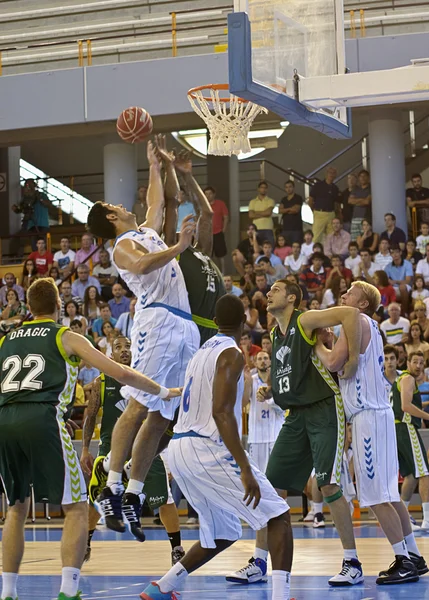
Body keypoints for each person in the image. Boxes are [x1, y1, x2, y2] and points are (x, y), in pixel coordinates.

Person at [0, 278, 181, 600]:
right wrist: (164, 390)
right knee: (76, 507)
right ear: (58, 306)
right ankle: (69, 591)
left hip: (5, 421)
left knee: (15, 509)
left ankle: (8, 592)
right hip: (43, 419)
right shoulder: (64, 335)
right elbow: (120, 372)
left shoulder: (6, 341)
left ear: (28, 306)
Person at [140, 294, 292, 600]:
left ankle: (163, 586)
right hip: (205, 447)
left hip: (181, 448)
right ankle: (281, 595)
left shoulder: (200, 354)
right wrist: (245, 467)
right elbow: (221, 412)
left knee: (223, 533)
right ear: (245, 319)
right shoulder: (232, 354)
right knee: (278, 516)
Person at [86, 143, 200, 542]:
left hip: (182, 324)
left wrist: (155, 166)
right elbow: (139, 265)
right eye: (117, 204)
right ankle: (112, 486)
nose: (126, 203)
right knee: (138, 404)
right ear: (112, 216)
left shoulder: (144, 231)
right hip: (158, 322)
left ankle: (133, 493)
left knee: (161, 414)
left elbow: (158, 207)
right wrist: (179, 248)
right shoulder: (122, 246)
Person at [255, 279, 365, 586]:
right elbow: (295, 374)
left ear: (291, 297)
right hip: (295, 414)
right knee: (270, 485)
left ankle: (352, 563)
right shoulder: (276, 334)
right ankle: (258, 561)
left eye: (276, 289)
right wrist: (271, 390)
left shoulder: (304, 319)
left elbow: (350, 315)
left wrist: (352, 358)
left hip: (323, 409)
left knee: (328, 485)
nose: (269, 293)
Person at [315, 281, 424, 584]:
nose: (344, 293)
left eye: (350, 291)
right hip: (379, 414)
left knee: (376, 497)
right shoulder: (371, 326)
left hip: (368, 417)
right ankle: (413, 555)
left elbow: (334, 362)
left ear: (362, 304)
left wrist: (318, 345)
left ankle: (403, 560)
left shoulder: (357, 320)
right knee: (389, 493)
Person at [80, 335, 185, 566]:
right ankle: (86, 542)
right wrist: (85, 448)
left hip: (145, 446)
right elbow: (89, 416)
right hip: (112, 446)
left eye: (128, 346)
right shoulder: (101, 382)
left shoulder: (150, 377)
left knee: (165, 499)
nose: (125, 350)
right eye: (118, 347)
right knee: (96, 500)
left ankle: (176, 547)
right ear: (111, 355)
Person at [227, 351, 285, 584]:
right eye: (258, 358)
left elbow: (284, 408)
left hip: (277, 439)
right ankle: (260, 561)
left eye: (265, 358)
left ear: (271, 362)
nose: (262, 361)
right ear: (254, 363)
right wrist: (243, 381)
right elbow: (240, 405)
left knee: (277, 499)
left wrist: (270, 396)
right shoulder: (250, 379)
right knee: (260, 499)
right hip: (257, 441)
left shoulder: (280, 380)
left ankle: (267, 561)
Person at [391, 352, 429, 531]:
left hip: (398, 429)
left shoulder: (402, 379)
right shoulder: (408, 379)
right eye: (415, 362)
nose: (419, 366)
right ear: (407, 363)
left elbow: (405, 404)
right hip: (406, 427)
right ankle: (427, 519)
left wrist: (423, 405)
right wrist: (427, 416)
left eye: (422, 363)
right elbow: (406, 406)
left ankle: (402, 519)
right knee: (424, 473)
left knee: (411, 476)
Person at [12, 179, 51, 250]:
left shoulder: (42, 195)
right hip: (31, 225)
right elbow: (21, 209)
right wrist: (16, 209)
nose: (28, 187)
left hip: (43, 224)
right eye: (26, 185)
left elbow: (48, 204)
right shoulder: (25, 199)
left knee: (44, 246)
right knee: (34, 246)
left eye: (29, 185)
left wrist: (40, 199)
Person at [308, 167, 341, 243]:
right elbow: (310, 200)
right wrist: (315, 211)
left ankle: (330, 254)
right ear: (326, 174)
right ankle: (315, 253)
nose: (331, 175)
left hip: (331, 214)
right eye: (330, 173)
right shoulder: (318, 185)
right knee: (316, 236)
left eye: (333, 173)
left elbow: (336, 204)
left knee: (331, 236)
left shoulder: (335, 188)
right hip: (319, 213)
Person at [204, 186, 229, 274]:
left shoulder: (220, 204)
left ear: (214, 194)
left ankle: (223, 273)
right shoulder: (203, 204)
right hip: (207, 234)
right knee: (208, 255)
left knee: (220, 255)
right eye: (206, 194)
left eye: (210, 193)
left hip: (218, 233)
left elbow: (225, 217)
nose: (208, 196)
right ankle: (211, 273)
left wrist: (223, 230)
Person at [385, 245, 413, 315]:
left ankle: (404, 312)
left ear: (400, 252)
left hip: (406, 286)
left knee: (402, 287)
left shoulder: (407, 264)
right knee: (386, 288)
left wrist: (395, 281)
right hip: (393, 287)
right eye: (392, 253)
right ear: (390, 254)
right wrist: (389, 282)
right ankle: (387, 313)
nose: (395, 254)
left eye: (397, 252)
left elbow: (408, 280)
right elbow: (386, 280)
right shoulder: (388, 267)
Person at [248, 181, 276, 246]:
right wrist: (264, 212)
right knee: (257, 248)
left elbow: (268, 213)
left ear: (267, 189)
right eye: (261, 187)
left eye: (265, 188)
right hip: (256, 229)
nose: (263, 189)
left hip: (268, 228)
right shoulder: (252, 201)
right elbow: (251, 215)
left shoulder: (270, 200)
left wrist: (256, 213)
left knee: (270, 249)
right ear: (258, 189)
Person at [348, 169, 372, 240]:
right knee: (354, 239)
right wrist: (362, 200)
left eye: (365, 176)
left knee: (365, 239)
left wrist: (356, 201)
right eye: (361, 176)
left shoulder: (371, 188)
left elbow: (367, 202)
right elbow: (350, 201)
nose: (363, 178)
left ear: (368, 177)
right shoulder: (355, 189)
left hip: (365, 218)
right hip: (355, 218)